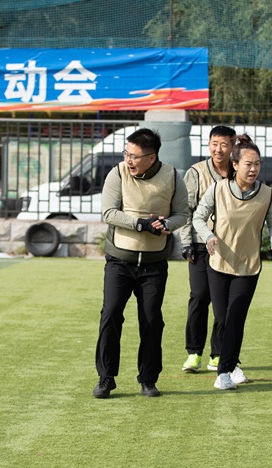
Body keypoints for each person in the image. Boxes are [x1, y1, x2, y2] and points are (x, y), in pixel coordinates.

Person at [93, 128, 189, 398]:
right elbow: (108, 212)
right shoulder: (118, 173)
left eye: (134, 156)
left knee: (151, 320)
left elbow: (183, 213)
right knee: (110, 314)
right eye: (127, 154)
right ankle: (106, 378)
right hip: (119, 262)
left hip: (154, 265)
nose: (129, 160)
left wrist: (166, 224)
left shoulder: (172, 176)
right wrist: (140, 224)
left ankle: (148, 379)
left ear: (152, 157)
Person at [192, 134, 272, 390]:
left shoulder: (266, 194)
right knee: (222, 319)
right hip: (219, 264)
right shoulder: (218, 189)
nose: (254, 169)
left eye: (257, 164)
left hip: (249, 267)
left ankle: (224, 372)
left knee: (235, 318)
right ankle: (231, 366)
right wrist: (208, 236)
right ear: (235, 165)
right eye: (248, 164)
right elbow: (198, 217)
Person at [180, 125, 236, 372]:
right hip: (201, 245)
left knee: (223, 302)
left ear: (233, 145)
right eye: (214, 143)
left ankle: (218, 353)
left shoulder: (238, 171)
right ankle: (194, 353)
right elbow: (185, 210)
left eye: (223, 144)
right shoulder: (196, 172)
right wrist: (186, 243)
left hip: (230, 246)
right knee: (199, 296)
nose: (218, 149)